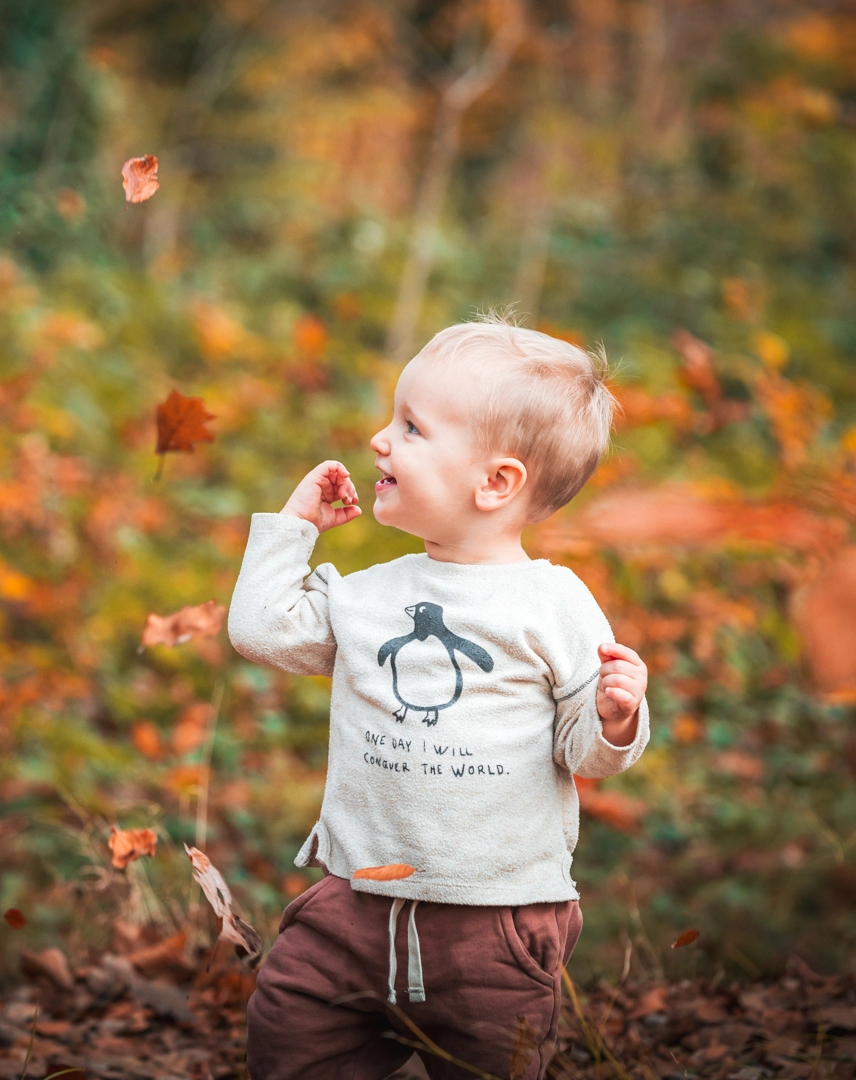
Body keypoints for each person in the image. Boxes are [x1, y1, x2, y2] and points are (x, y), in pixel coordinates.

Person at [228, 317, 650, 1080]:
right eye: (394, 418)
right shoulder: (370, 595)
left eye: (412, 428)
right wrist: (293, 531)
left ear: (496, 482)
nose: (379, 440)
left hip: (495, 928)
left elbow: (581, 749)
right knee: (288, 1042)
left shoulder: (551, 603)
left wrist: (615, 717)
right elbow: (263, 631)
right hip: (352, 910)